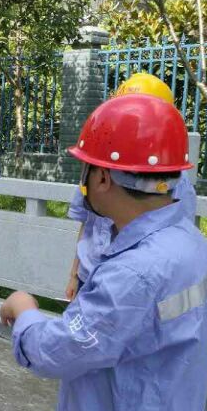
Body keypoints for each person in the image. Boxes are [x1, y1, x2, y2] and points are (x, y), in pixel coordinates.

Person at [1, 93, 207, 411]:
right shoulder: (193, 246)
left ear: (102, 177)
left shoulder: (133, 275)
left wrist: (24, 312)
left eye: (86, 169)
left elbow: (57, 351)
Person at [65, 72, 196, 301]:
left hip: (132, 283)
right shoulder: (98, 165)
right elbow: (87, 222)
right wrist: (74, 274)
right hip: (90, 273)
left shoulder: (176, 182)